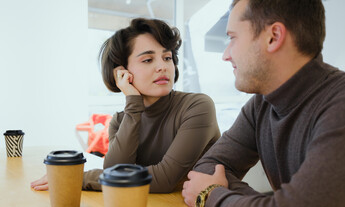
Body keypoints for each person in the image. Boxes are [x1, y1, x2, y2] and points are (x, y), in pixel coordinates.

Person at [182, 0, 345, 207]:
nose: (225, 54)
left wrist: (212, 195)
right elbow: (207, 169)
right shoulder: (261, 103)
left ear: (273, 37)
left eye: (233, 38)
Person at [31, 18, 220, 193]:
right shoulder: (121, 120)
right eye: (148, 59)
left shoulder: (198, 106)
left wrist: (79, 177)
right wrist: (133, 104)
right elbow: (114, 171)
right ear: (121, 72)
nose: (162, 66)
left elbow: (165, 179)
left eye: (167, 57)